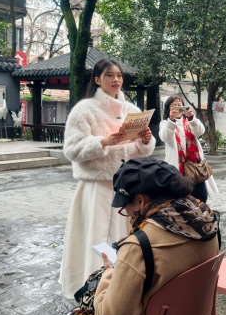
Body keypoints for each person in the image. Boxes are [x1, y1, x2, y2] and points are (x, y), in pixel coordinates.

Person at [78, 157, 220, 315]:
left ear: (141, 200)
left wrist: (109, 273)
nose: (127, 215)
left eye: (125, 207)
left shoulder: (139, 246)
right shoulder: (209, 222)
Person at [59, 58, 156, 300]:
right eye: (109, 75)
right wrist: (102, 142)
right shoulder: (84, 110)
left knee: (125, 238)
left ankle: (122, 288)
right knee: (95, 237)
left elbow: (143, 150)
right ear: (97, 79)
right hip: (97, 187)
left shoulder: (132, 110)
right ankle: (91, 289)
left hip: (127, 187)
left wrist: (146, 140)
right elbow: (71, 149)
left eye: (119, 75)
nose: (116, 80)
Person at [158, 95, 218, 203]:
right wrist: (171, 120)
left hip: (195, 169)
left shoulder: (189, 121)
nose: (177, 107)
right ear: (168, 109)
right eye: (173, 105)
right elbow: (166, 137)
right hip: (177, 168)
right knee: (181, 200)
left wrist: (191, 118)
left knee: (201, 197)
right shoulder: (165, 124)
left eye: (179, 105)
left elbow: (200, 131)